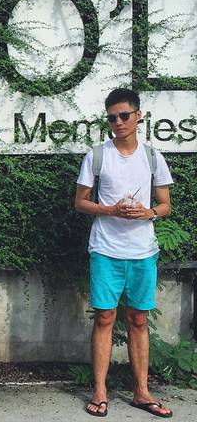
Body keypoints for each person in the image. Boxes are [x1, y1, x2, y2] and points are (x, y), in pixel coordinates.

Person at [75, 88, 173, 418]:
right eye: (112, 118)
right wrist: (110, 210)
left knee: (139, 319)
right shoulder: (97, 156)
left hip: (143, 251)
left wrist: (149, 213)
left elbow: (165, 204)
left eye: (124, 115)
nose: (118, 122)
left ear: (138, 116)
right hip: (105, 249)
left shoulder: (152, 157)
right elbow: (80, 202)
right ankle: (100, 391)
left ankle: (142, 392)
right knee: (104, 317)